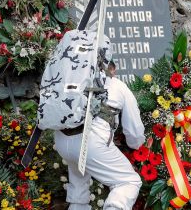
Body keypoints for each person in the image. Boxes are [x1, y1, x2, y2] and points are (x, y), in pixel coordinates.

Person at [54, 58, 145, 210]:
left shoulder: (75, 82)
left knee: (79, 187)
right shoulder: (117, 85)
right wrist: (135, 144)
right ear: (112, 69)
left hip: (62, 140)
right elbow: (134, 129)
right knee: (128, 181)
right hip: (90, 141)